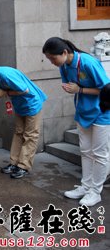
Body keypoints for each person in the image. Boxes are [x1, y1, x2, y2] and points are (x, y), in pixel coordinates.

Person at [42, 37, 110, 207]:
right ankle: (86, 187)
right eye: (49, 59)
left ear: (65, 52)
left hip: (101, 112)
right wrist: (74, 89)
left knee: (100, 154)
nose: (52, 62)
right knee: (86, 151)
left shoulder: (88, 63)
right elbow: (69, 84)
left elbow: (106, 89)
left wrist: (79, 89)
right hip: (82, 111)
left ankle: (96, 191)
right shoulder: (64, 65)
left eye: (53, 58)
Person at [0, 66, 47, 179]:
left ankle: (23, 166)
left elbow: (24, 90)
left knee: (30, 135)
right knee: (18, 132)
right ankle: (14, 163)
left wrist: (6, 92)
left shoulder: (5, 75)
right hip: (20, 105)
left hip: (32, 103)